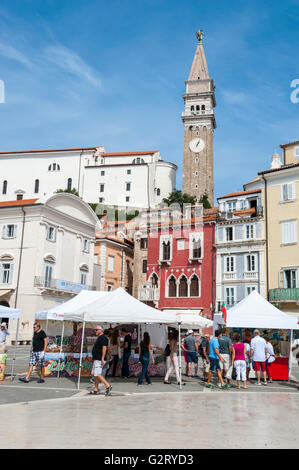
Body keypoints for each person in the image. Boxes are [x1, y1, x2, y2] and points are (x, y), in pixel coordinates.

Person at [89, 325, 112, 396]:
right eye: (95, 330)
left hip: (99, 359)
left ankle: (108, 385)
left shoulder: (104, 338)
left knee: (97, 374)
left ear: (100, 330)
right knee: (95, 374)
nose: (95, 331)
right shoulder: (99, 338)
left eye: (96, 330)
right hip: (97, 359)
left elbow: (104, 349)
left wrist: (102, 358)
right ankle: (96, 389)